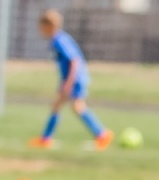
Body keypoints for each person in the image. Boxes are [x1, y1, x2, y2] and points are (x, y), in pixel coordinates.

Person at [28, 11, 112, 151]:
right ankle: (46, 138)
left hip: (74, 80)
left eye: (41, 27)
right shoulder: (58, 39)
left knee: (73, 107)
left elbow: (74, 60)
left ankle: (101, 134)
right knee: (66, 106)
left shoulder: (59, 40)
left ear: (49, 26)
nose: (40, 31)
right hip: (73, 79)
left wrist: (68, 83)